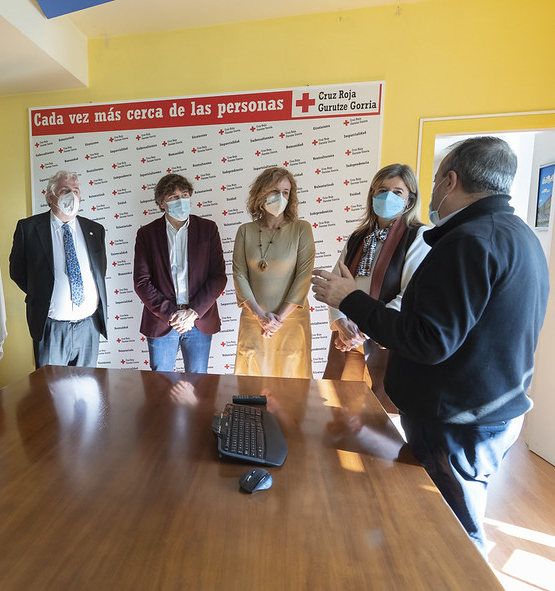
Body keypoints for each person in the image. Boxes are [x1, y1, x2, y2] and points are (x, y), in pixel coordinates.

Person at [311, 136, 549, 554]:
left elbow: (428, 338)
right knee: (439, 522)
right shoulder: (516, 235)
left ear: (449, 181)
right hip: (478, 411)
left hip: (459, 421)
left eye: (435, 179)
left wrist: (352, 304)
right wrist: (344, 312)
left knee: (453, 535)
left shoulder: (465, 242)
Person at [322, 164, 430, 413]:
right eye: (382, 189)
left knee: (380, 415)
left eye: (397, 192)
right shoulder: (358, 236)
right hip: (346, 337)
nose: (388, 196)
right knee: (338, 407)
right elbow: (335, 283)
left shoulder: (418, 237)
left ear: (409, 199)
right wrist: (340, 323)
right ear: (372, 194)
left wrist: (365, 328)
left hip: (384, 337)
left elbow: (409, 296)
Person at [9, 170, 108, 368]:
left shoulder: (95, 229)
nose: (72, 195)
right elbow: (17, 271)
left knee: (87, 390)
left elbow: (99, 271)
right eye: (65, 190)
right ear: (50, 197)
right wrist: (43, 293)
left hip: (88, 326)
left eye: (76, 190)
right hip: (51, 328)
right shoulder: (28, 228)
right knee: (50, 391)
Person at [133, 173, 227, 373]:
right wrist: (171, 314)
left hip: (198, 320)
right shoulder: (146, 234)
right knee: (160, 385)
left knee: (198, 383)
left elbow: (218, 276)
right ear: (161, 203)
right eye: (173, 197)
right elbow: (142, 282)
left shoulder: (208, 229)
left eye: (184, 195)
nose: (181, 201)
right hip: (162, 320)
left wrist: (192, 313)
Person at [232, 166, 315, 378]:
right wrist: (260, 316)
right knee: (251, 382)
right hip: (254, 320)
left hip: (291, 321)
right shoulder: (245, 231)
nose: (280, 197)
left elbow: (303, 277)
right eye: (274, 191)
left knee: (292, 383)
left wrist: (277, 320)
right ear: (261, 193)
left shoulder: (301, 229)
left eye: (285, 192)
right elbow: (239, 275)